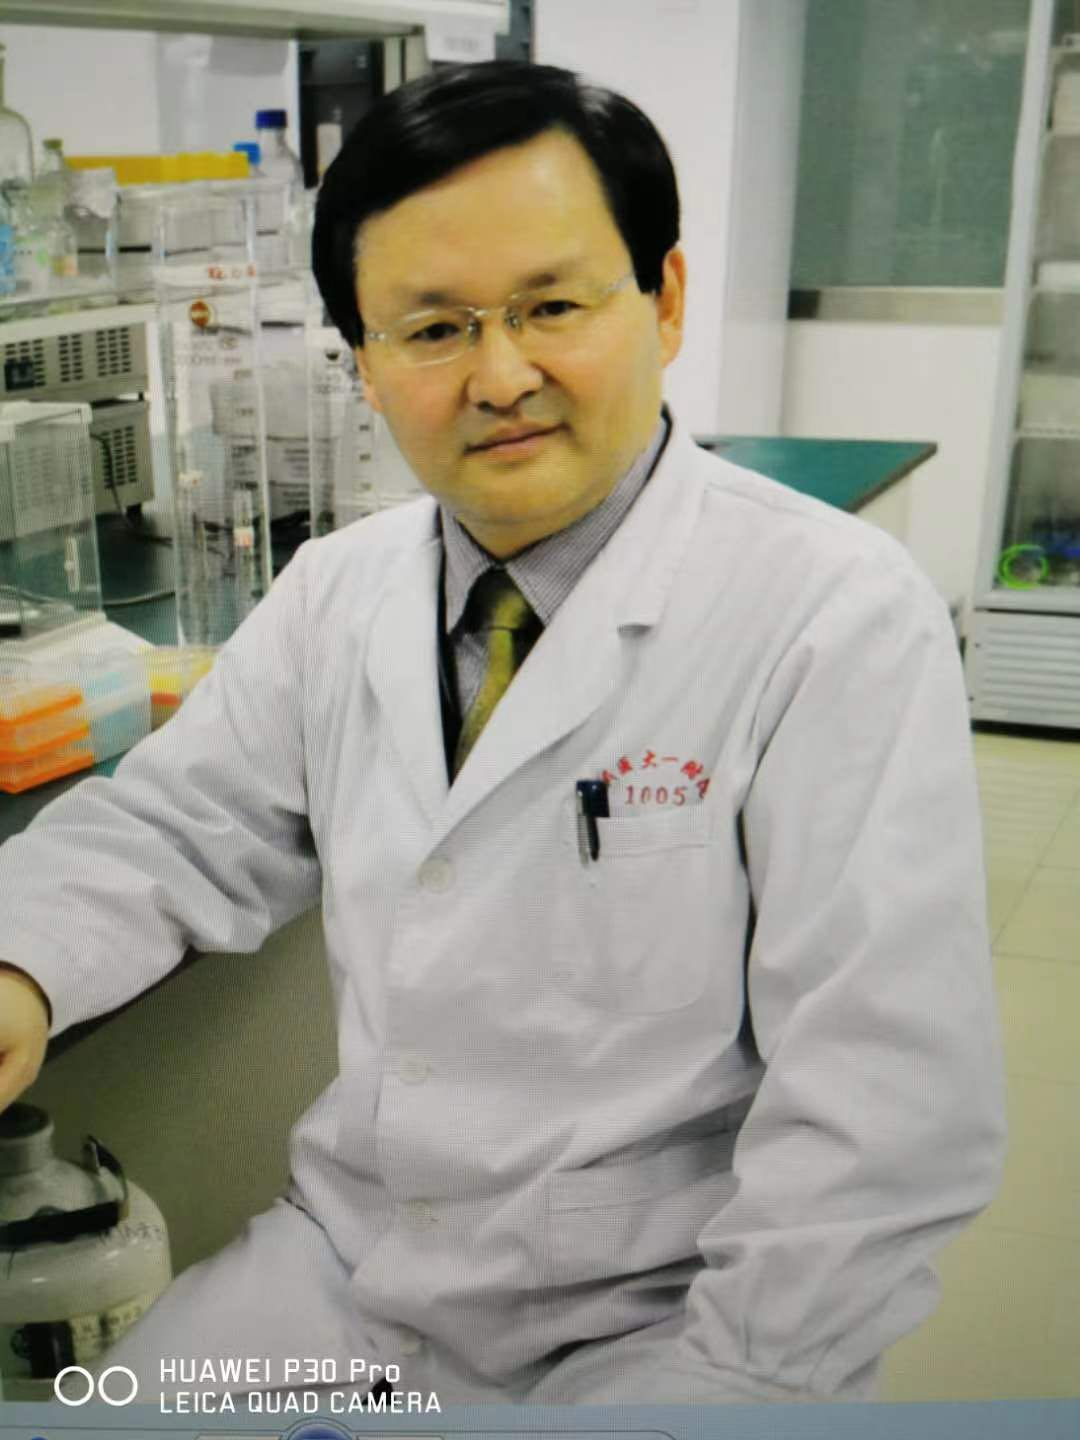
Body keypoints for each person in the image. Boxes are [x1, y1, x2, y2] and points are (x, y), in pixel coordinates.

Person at [0, 60, 1005, 1407]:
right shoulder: (340, 592)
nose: (501, 374)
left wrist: (737, 1382)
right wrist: (20, 962)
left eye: (551, 306)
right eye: (432, 328)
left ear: (664, 300)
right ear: (364, 365)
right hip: (351, 1265)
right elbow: (179, 824)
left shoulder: (833, 616)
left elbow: (882, 1107)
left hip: (670, 1319)